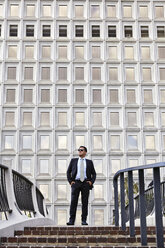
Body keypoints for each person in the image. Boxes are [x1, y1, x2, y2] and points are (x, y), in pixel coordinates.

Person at [66, 146, 96, 225]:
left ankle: (84, 220)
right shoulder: (73, 161)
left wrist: (91, 182)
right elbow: (68, 172)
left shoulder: (89, 162)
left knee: (85, 202)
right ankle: (71, 220)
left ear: (85, 152)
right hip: (76, 183)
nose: (79, 151)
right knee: (73, 202)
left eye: (81, 150)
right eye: (79, 150)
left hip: (85, 183)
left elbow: (94, 173)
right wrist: (70, 181)